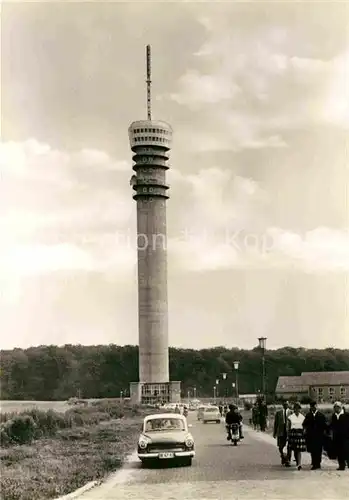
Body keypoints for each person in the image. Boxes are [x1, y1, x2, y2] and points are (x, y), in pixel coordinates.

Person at [302, 400, 328, 470]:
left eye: (314, 406)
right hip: (311, 436)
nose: (313, 408)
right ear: (311, 407)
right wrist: (305, 430)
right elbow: (304, 424)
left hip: (319, 436)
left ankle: (318, 463)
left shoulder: (321, 415)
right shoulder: (308, 415)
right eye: (312, 407)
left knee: (318, 450)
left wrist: (326, 432)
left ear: (316, 407)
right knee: (313, 450)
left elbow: (324, 425)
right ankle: (314, 463)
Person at [286, 402, 306, 470]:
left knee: (298, 450)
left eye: (298, 408)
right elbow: (288, 427)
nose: (297, 410)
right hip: (292, 434)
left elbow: (304, 427)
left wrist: (304, 433)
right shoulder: (290, 417)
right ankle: (291, 460)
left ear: (300, 409)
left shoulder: (303, 417)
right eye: (296, 408)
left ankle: (299, 463)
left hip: (300, 434)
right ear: (294, 409)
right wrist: (288, 436)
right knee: (293, 449)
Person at [330, 401, 349, 470]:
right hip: (337, 437)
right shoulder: (334, 416)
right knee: (339, 451)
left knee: (346, 450)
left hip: (346, 436)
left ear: (341, 407)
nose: (336, 409)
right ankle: (341, 465)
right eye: (335, 407)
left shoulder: (347, 415)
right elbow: (332, 425)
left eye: (338, 407)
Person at [273, 400, 292, 466]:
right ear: (282, 405)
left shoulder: (291, 412)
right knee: (280, 446)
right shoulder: (278, 413)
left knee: (289, 447)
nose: (285, 405)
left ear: (288, 404)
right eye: (284, 404)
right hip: (281, 431)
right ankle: (283, 456)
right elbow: (276, 423)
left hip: (289, 432)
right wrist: (274, 433)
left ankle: (288, 460)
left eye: (286, 404)